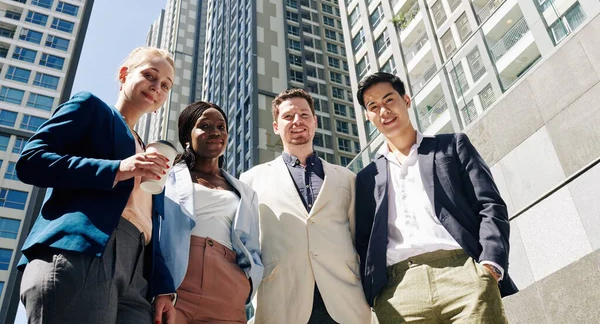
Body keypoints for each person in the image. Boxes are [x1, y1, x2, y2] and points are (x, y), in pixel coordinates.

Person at [17, 47, 177, 324]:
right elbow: (31, 161)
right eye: (150, 75)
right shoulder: (90, 107)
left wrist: (163, 288)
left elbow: (150, 224)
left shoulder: (148, 150)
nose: (157, 87)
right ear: (124, 75)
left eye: (166, 85)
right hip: (81, 253)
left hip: (137, 274)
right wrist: (117, 168)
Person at [354, 72, 518, 323]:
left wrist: (490, 267)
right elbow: (363, 240)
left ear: (406, 100)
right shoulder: (367, 178)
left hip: (464, 274)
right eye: (374, 107)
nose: (383, 111)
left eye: (389, 100)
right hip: (399, 292)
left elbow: (490, 205)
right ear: (368, 116)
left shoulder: (452, 146)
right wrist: (375, 294)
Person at [240, 89, 371, 324]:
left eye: (304, 114)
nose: (297, 121)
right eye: (288, 116)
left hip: (345, 302)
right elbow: (245, 247)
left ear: (315, 122)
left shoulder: (346, 178)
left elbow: (359, 239)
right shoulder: (251, 180)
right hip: (282, 303)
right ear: (276, 126)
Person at [157, 101, 263, 324]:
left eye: (221, 127)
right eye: (204, 126)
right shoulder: (167, 177)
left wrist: (248, 283)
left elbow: (251, 244)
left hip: (227, 289)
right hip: (176, 286)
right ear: (187, 136)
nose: (215, 132)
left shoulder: (244, 191)